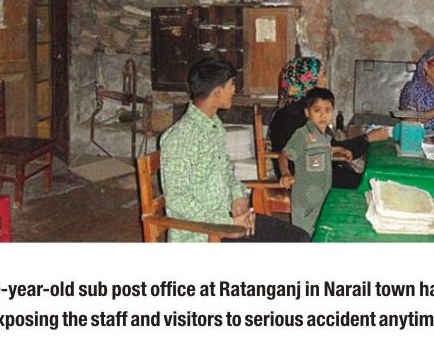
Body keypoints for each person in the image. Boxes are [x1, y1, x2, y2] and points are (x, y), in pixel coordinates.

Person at [159, 57, 309, 242]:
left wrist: (238, 198)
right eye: (231, 85)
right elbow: (178, 199)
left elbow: (226, 172)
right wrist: (226, 222)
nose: (234, 90)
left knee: (300, 238)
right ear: (217, 91)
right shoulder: (179, 138)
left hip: (226, 219)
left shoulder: (214, 127)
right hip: (202, 233)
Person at [268, 57, 389, 189]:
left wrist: (341, 148)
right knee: (369, 185)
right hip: (304, 178)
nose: (325, 80)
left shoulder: (292, 109)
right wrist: (368, 138)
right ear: (307, 80)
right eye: (322, 75)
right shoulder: (295, 114)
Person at [277, 87, 351, 236]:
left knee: (319, 233)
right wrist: (285, 173)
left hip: (322, 197)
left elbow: (320, 150)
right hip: (305, 201)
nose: (323, 115)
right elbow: (284, 155)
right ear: (307, 112)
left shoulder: (325, 135)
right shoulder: (302, 134)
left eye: (327, 110)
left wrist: (339, 149)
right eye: (317, 110)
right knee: (303, 235)